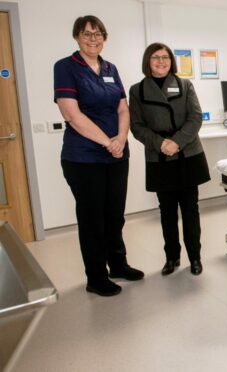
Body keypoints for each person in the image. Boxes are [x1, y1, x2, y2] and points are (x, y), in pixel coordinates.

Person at [54, 15, 143, 297]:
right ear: (77, 36)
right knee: (93, 218)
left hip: (116, 154)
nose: (93, 39)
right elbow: (71, 113)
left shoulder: (110, 68)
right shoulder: (66, 67)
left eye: (98, 34)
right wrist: (108, 141)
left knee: (114, 215)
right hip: (84, 157)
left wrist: (120, 139)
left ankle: (118, 265)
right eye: (87, 34)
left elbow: (123, 109)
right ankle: (96, 276)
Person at [129, 43, 210, 276]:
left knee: (190, 211)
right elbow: (136, 126)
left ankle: (195, 258)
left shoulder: (185, 85)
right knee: (166, 212)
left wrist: (176, 142)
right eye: (155, 58)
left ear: (171, 61)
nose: (161, 62)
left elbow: (195, 118)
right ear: (148, 62)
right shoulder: (137, 90)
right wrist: (161, 143)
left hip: (187, 154)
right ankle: (171, 257)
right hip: (160, 157)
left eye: (165, 57)